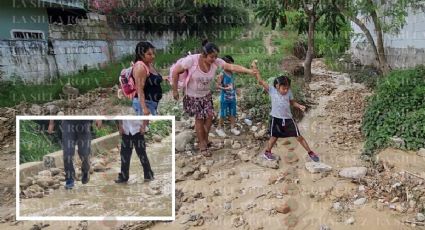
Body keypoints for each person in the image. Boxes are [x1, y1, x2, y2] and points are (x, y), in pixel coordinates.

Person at [172, 41, 258, 157]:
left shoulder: (216, 61)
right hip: (193, 96)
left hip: (206, 95)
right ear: (204, 54)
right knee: (199, 119)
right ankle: (202, 146)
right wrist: (175, 90)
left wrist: (249, 71)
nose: (214, 59)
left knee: (209, 117)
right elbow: (175, 71)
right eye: (212, 57)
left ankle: (205, 140)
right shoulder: (191, 60)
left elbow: (231, 66)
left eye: (216, 57)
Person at [254, 72, 320, 162]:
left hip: (288, 119)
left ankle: (310, 152)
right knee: (274, 137)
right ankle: (267, 152)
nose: (286, 90)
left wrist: (299, 106)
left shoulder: (289, 92)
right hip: (276, 119)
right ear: (277, 86)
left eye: (287, 88)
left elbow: (292, 102)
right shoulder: (272, 90)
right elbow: (261, 81)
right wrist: (256, 72)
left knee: (298, 136)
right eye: (283, 88)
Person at [48, 120, 102, 189]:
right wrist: (51, 122)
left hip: (84, 123)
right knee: (67, 154)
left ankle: (85, 171)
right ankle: (69, 179)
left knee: (85, 153)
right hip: (68, 123)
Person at [132, 41, 164, 132]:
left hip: (151, 102)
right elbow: (139, 89)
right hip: (145, 103)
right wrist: (144, 108)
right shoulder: (140, 68)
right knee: (141, 129)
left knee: (144, 129)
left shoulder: (149, 64)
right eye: (149, 54)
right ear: (141, 55)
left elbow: (154, 79)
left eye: (153, 53)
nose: (153, 56)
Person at [215, 55, 240, 137]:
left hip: (232, 97)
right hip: (224, 97)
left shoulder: (232, 74)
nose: (232, 67)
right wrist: (224, 88)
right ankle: (219, 128)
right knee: (223, 113)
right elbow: (217, 86)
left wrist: (236, 89)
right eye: (230, 65)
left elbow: (233, 84)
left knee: (233, 112)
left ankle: (233, 128)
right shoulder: (222, 74)